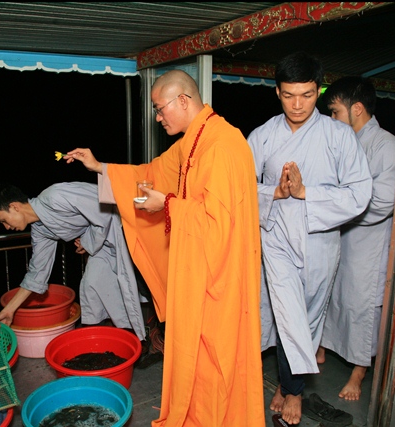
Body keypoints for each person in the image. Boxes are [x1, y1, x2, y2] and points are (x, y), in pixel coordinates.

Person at [64, 69, 265, 426]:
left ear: (183, 101)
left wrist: (168, 205)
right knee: (194, 360)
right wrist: (99, 167)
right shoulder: (193, 141)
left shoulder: (223, 144)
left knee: (216, 364)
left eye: (160, 108)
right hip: (197, 271)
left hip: (220, 278)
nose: (158, 118)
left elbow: (220, 222)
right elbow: (153, 173)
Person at [247, 52, 373, 425]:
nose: (298, 104)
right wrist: (275, 193)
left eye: (306, 94)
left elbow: (359, 194)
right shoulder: (263, 136)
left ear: (318, 91)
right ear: (277, 92)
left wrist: (306, 193)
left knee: (309, 318)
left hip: (320, 241)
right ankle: (294, 391)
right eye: (289, 95)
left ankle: (286, 383)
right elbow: (240, 189)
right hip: (276, 239)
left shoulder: (339, 136)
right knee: (287, 315)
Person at [316, 76, 395, 401]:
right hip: (341, 236)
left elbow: (382, 201)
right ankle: (323, 347)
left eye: (336, 112)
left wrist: (337, 208)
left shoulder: (385, 146)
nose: (332, 119)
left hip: (368, 242)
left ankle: (359, 371)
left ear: (358, 109)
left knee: (361, 304)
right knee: (334, 295)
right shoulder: (345, 143)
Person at [0, 181, 147, 343]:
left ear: (14, 207)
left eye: (4, 220)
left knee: (145, 285)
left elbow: (104, 210)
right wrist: (10, 309)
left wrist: (88, 241)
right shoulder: (40, 231)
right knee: (92, 283)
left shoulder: (55, 197)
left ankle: (150, 331)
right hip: (104, 243)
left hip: (126, 227)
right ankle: (116, 338)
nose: (6, 227)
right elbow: (37, 273)